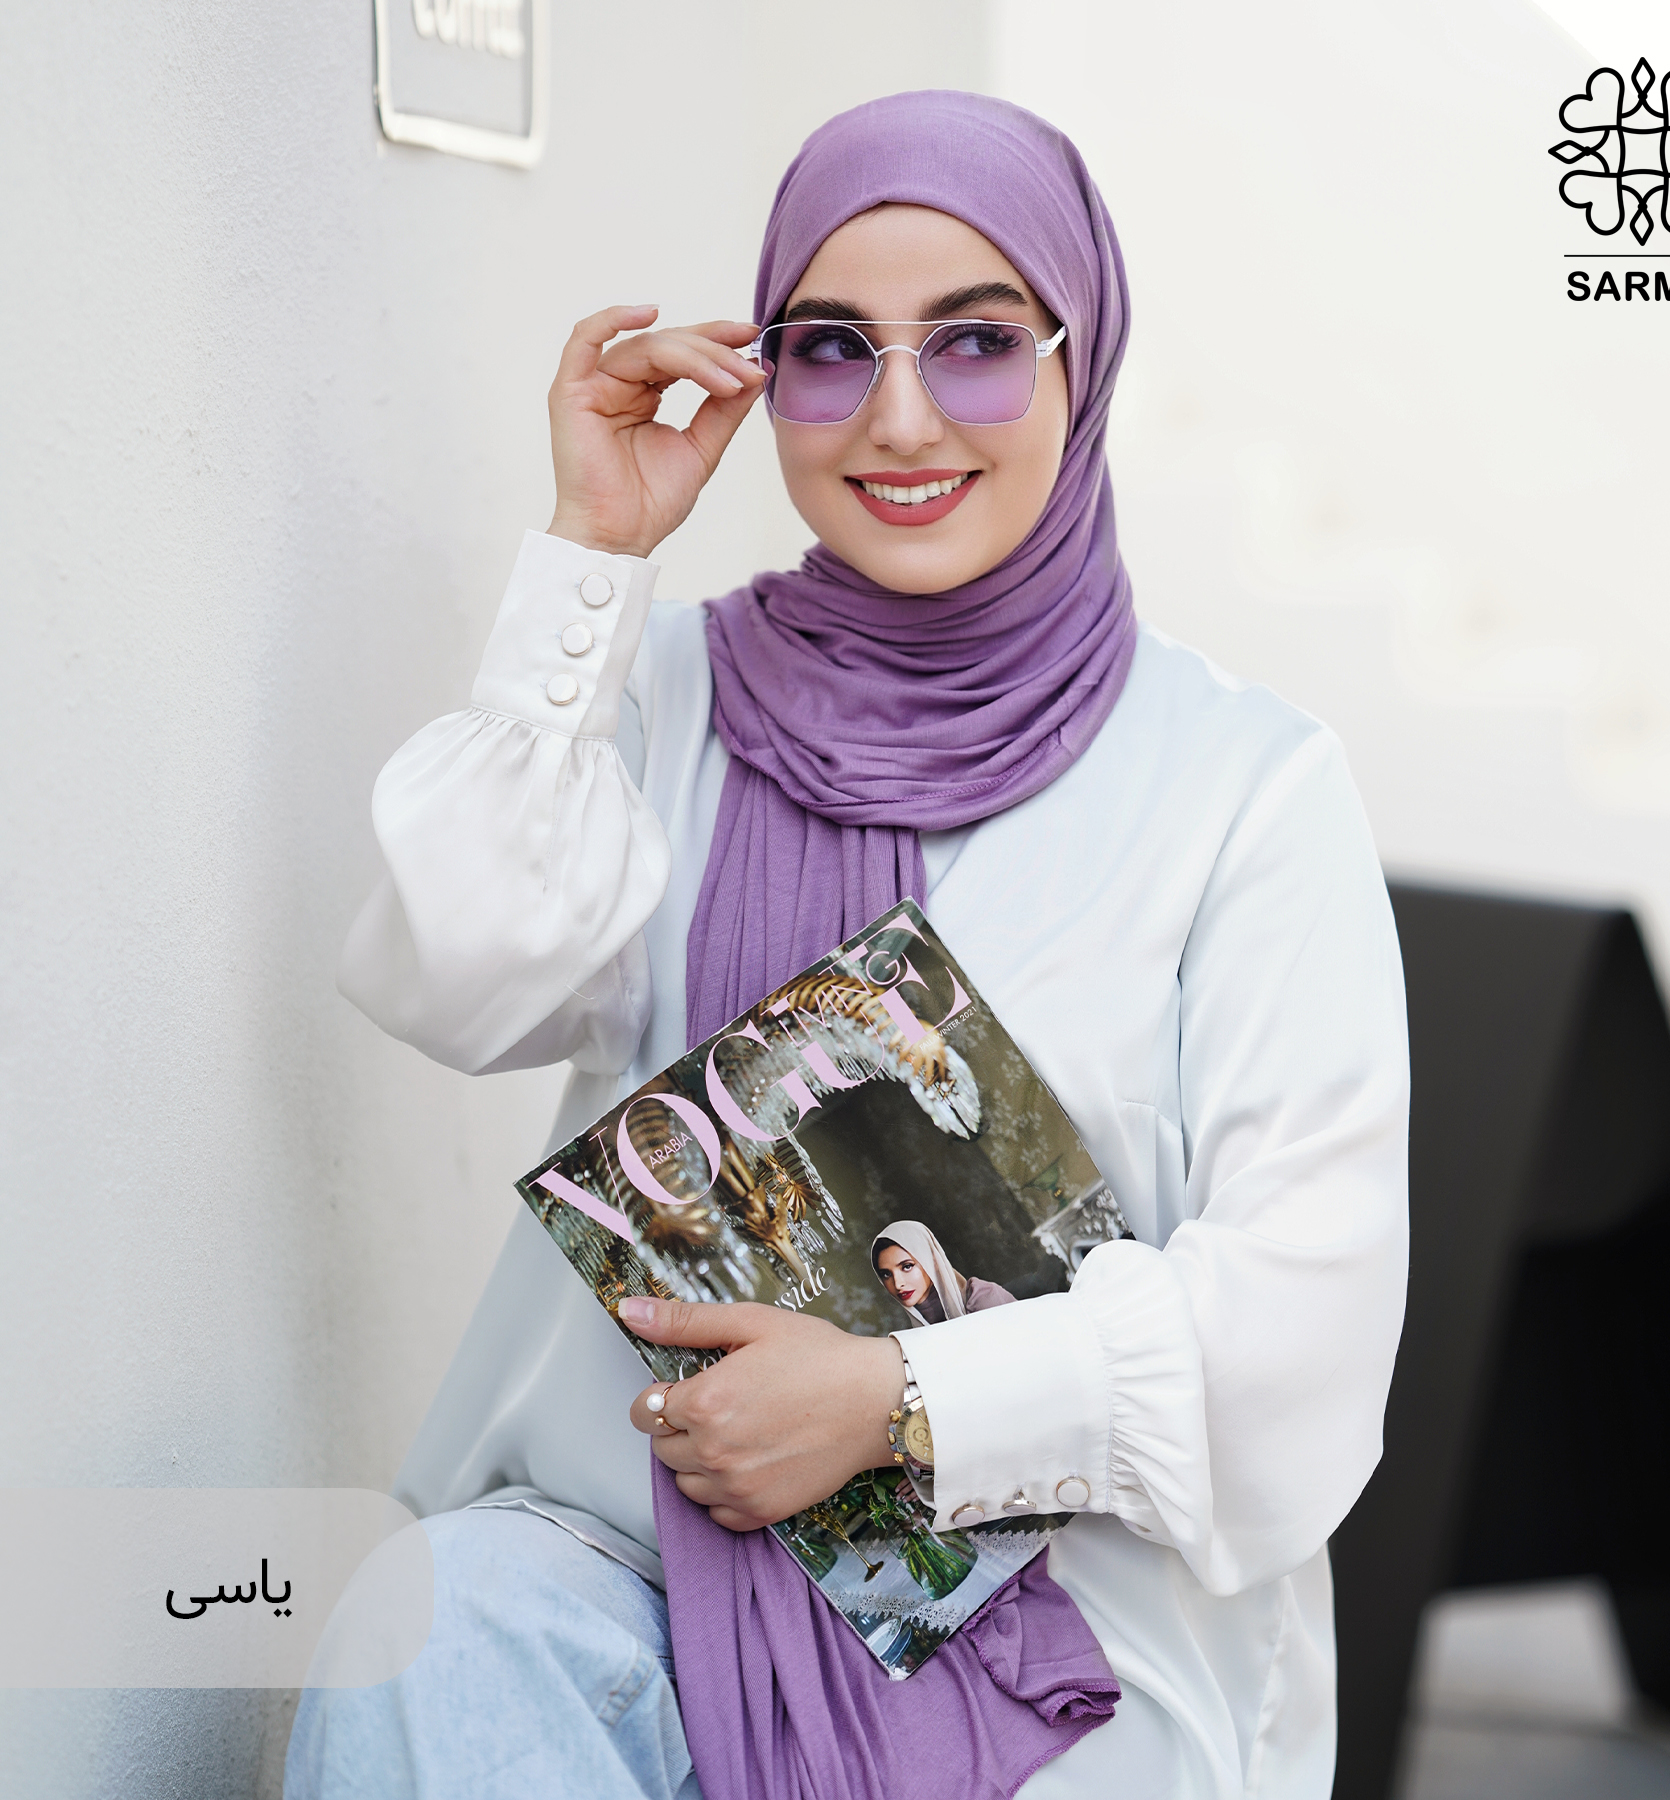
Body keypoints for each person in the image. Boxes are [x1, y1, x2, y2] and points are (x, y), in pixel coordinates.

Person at [292, 89, 1408, 1800]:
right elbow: (456, 979)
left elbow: (1299, 1344)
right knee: (432, 1631)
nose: (899, 419)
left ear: (1082, 358)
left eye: (977, 345)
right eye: (831, 349)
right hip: (635, 1566)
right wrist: (593, 555)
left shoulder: (1243, 791)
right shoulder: (673, 696)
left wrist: (905, 1399)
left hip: (1056, 1635)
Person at [872, 1220, 1017, 1325]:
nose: (898, 1284)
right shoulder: (918, 1329)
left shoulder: (985, 1299)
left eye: (907, 1267)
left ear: (933, 1260)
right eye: (886, 1274)